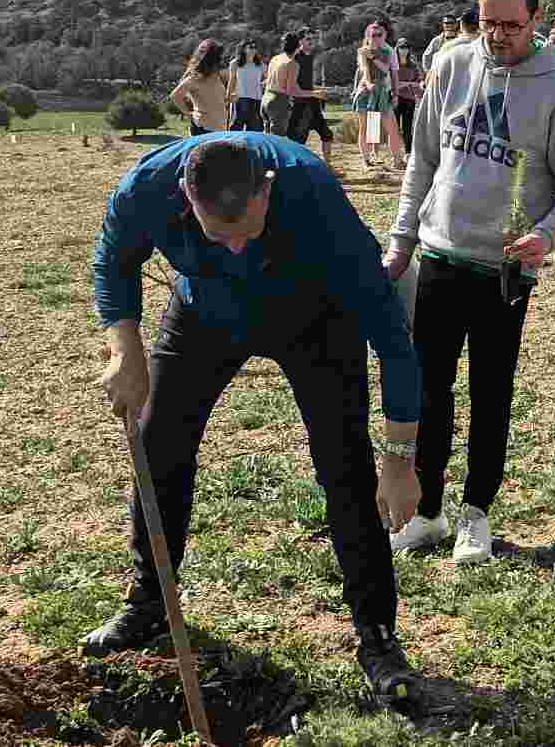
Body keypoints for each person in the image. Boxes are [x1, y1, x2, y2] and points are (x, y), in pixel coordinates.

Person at [85, 131, 427, 697]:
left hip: (316, 321)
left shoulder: (315, 194)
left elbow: (392, 339)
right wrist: (126, 348)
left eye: (247, 232)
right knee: (159, 449)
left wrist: (399, 460)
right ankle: (150, 601)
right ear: (186, 199)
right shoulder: (146, 187)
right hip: (204, 315)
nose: (237, 248)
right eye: (219, 236)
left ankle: (378, 637)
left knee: (346, 471)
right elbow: (114, 261)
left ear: (266, 190)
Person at [382, 0, 555, 565]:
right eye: (486, 21)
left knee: (491, 393)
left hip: (503, 271)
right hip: (439, 256)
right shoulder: (450, 62)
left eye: (510, 24)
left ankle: (477, 512)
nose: (496, 35)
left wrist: (545, 238)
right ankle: (428, 513)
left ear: (536, 19)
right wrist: (401, 241)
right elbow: (421, 162)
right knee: (429, 392)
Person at [353, 22, 408, 169]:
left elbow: (386, 70)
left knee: (392, 127)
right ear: (368, 36)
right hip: (366, 91)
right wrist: (369, 83)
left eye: (379, 35)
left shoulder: (388, 51)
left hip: (383, 91)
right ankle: (367, 159)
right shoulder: (362, 51)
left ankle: (397, 159)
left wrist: (395, 94)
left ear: (384, 35)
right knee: (365, 127)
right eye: (373, 35)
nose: (376, 37)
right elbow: (364, 70)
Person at [291, 30, 338, 164]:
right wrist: (314, 92)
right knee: (299, 139)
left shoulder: (312, 57)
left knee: (327, 134)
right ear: (300, 41)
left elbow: (308, 84)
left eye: (312, 38)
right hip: (299, 105)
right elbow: (294, 87)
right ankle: (296, 166)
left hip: (313, 103)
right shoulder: (295, 58)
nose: (311, 41)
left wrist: (321, 90)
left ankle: (327, 165)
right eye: (307, 39)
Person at [263, 32, 318, 145]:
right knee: (277, 143)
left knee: (267, 140)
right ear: (298, 46)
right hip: (278, 101)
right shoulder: (292, 64)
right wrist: (314, 94)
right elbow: (291, 91)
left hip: (266, 99)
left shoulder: (275, 58)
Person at [169, 39, 232, 136]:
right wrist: (189, 114)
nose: (221, 61)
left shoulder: (217, 77)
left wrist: (229, 99)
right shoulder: (194, 78)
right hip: (203, 129)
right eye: (218, 58)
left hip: (220, 128)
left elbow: (217, 100)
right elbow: (175, 96)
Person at [230, 40, 269, 132]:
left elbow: (270, 78)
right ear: (243, 49)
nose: (253, 50)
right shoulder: (235, 63)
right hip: (240, 99)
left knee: (255, 129)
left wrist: (261, 84)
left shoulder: (261, 65)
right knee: (236, 128)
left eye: (255, 47)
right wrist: (228, 96)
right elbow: (232, 80)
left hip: (257, 100)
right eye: (250, 47)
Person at [394, 39, 424, 151]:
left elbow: (419, 81)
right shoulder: (393, 65)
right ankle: (395, 153)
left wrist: (416, 84)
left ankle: (408, 152)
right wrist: (409, 84)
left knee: (407, 128)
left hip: (409, 99)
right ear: (397, 48)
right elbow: (393, 83)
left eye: (406, 47)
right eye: (401, 47)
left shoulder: (413, 65)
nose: (404, 50)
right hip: (395, 98)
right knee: (395, 128)